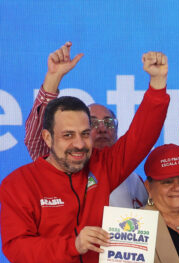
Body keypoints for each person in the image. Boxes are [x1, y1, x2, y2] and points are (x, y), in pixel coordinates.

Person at [0, 51, 170, 263]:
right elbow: (17, 249)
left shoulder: (102, 168)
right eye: (68, 136)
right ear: (47, 137)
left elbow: (141, 137)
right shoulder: (18, 184)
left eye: (84, 133)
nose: (79, 144)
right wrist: (72, 245)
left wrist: (157, 85)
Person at [24, 41, 147, 209]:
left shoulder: (134, 180)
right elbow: (35, 138)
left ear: (117, 132)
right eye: (94, 123)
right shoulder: (62, 164)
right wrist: (53, 78)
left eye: (109, 123)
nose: (103, 128)